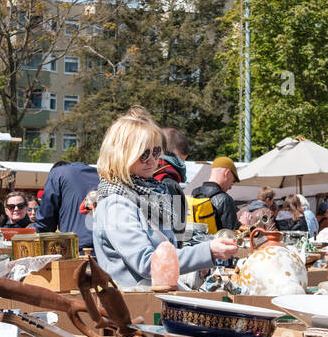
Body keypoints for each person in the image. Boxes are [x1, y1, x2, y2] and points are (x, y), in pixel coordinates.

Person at [91, 111, 237, 287]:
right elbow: (147, 263)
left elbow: (167, 251)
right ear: (122, 154)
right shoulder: (116, 203)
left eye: (156, 151)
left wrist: (200, 259)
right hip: (135, 306)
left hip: (152, 300)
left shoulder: (145, 194)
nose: (152, 160)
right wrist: (207, 252)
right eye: (144, 153)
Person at [36, 159, 100, 249]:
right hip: (106, 248)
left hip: (76, 246)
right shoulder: (101, 174)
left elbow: (46, 216)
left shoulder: (57, 173)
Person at [152, 127, 189, 237]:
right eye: (181, 160)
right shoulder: (169, 183)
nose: (182, 165)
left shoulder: (140, 178)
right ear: (173, 154)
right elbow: (178, 231)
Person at [188, 155, 239, 233]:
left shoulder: (194, 193)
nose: (230, 187)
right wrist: (244, 225)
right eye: (232, 182)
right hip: (216, 244)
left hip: (196, 243)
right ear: (227, 173)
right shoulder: (225, 199)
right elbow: (232, 236)